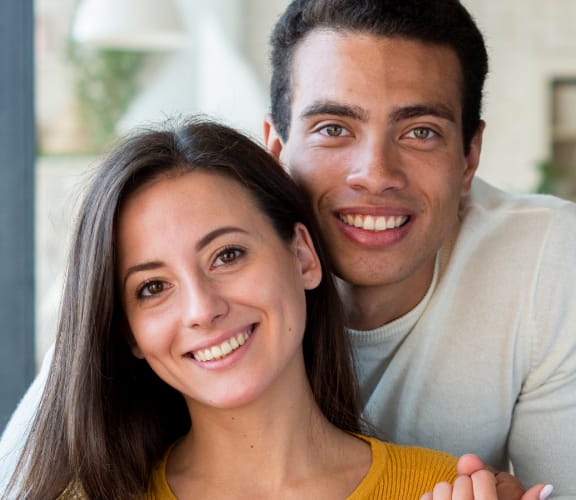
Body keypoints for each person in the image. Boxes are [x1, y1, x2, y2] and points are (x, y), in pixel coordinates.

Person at [6, 116, 536, 500]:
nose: (201, 308)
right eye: (152, 288)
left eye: (227, 255)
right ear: (128, 333)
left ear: (303, 256)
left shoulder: (445, 492)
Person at [262, 0, 576, 497]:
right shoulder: (211, 283)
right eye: (333, 128)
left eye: (420, 132)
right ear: (276, 152)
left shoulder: (550, 259)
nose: (376, 174)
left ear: (469, 158)